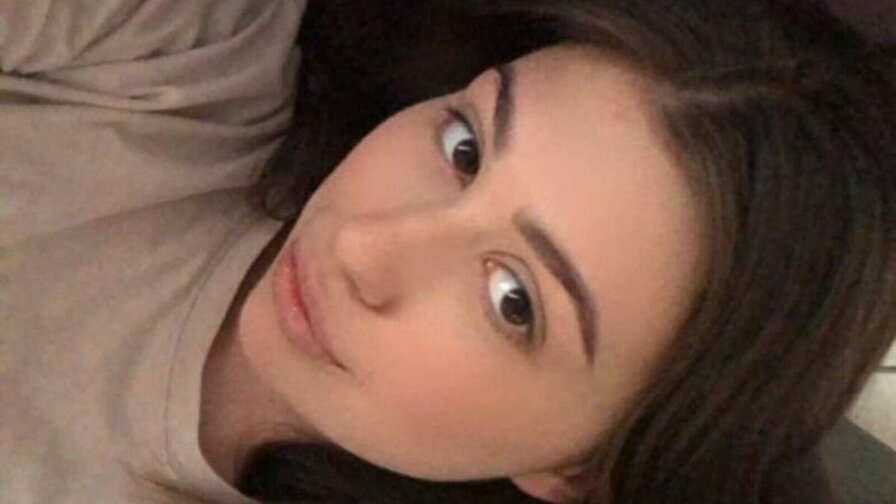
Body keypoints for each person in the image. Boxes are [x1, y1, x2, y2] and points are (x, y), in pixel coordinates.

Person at [1, 2, 893, 504]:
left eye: (514, 301)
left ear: (583, 469)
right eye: (464, 148)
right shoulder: (183, 60)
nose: (365, 248)